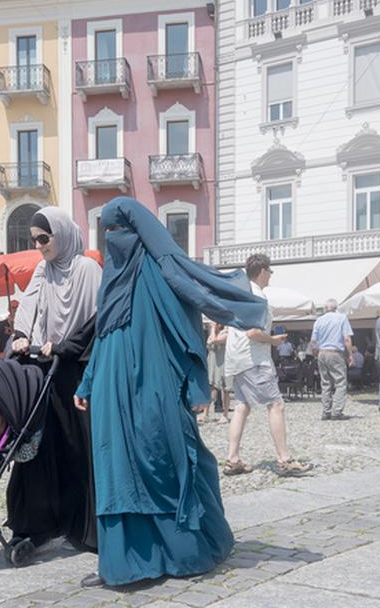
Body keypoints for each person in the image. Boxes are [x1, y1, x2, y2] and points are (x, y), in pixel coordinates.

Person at [74, 197, 263, 588]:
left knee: (160, 462)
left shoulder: (160, 274)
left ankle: (183, 554)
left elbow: (189, 331)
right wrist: (88, 379)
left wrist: (195, 384)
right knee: (116, 470)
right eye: (107, 232)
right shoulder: (111, 278)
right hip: (111, 392)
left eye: (120, 230)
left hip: (155, 386)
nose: (113, 239)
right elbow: (103, 336)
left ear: (138, 231)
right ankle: (123, 564)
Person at [8, 206, 101, 560]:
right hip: (45, 369)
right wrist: (20, 335)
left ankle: (85, 526)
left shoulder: (87, 268)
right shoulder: (43, 270)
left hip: (76, 370)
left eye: (44, 238)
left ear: (61, 235)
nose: (39, 246)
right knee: (42, 448)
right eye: (34, 240)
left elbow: (97, 319)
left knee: (80, 449)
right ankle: (41, 522)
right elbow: (28, 307)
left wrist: (66, 345)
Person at [220, 254, 311, 477]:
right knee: (276, 405)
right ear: (262, 271)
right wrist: (274, 340)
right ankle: (284, 460)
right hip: (254, 359)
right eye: (269, 271)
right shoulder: (258, 296)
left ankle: (233, 460)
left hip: (238, 359)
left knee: (242, 406)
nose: (270, 276)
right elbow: (253, 332)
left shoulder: (241, 293)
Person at [310, 299, 356, 421]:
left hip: (322, 353)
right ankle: (337, 412)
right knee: (340, 382)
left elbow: (313, 341)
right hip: (335, 353)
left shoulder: (319, 321)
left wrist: (315, 352)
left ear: (325, 308)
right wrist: (350, 355)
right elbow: (347, 339)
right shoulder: (342, 318)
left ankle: (326, 412)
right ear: (336, 308)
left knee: (325, 383)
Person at [201, 321, 231, 425]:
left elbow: (214, 341)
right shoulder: (213, 333)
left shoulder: (226, 333)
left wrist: (213, 329)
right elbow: (209, 343)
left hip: (222, 362)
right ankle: (205, 414)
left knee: (225, 389)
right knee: (210, 386)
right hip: (212, 362)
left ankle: (225, 414)